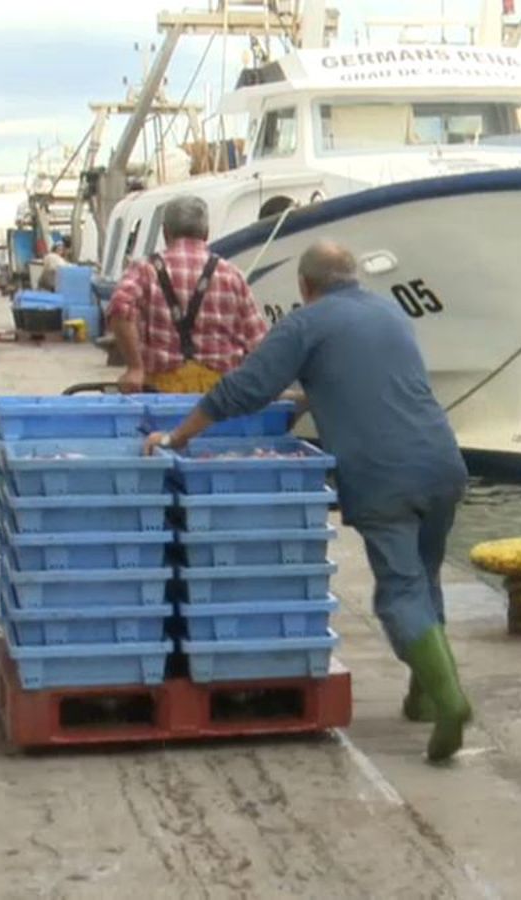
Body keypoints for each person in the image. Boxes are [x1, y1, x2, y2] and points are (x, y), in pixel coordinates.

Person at [143, 241, 472, 762]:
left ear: (305, 286)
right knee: (426, 575)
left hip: (382, 477)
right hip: (443, 464)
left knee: (400, 593)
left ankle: (452, 702)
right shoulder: (389, 311)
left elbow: (243, 390)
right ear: (354, 276)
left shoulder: (306, 323)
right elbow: (370, 381)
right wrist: (309, 397)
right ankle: (424, 696)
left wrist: (177, 436)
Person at [107, 196, 268, 393]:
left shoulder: (144, 269)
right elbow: (258, 341)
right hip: (219, 396)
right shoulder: (231, 274)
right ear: (206, 233)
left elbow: (119, 308)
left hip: (160, 393)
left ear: (166, 232)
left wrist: (135, 367)